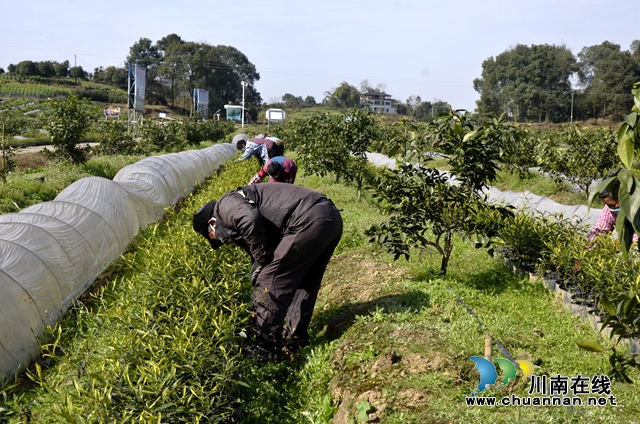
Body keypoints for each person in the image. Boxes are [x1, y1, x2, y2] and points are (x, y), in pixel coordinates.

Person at [192, 184, 343, 361]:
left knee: (269, 280)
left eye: (215, 237)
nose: (222, 240)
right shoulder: (240, 203)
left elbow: (250, 220)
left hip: (308, 220)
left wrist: (262, 259)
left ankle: (266, 347)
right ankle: (294, 340)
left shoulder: (224, 205)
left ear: (212, 224)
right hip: (328, 218)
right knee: (305, 283)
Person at [588, 177, 638, 242]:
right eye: (609, 205)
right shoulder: (609, 209)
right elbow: (599, 232)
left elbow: (636, 241)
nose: (612, 208)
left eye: (614, 204)